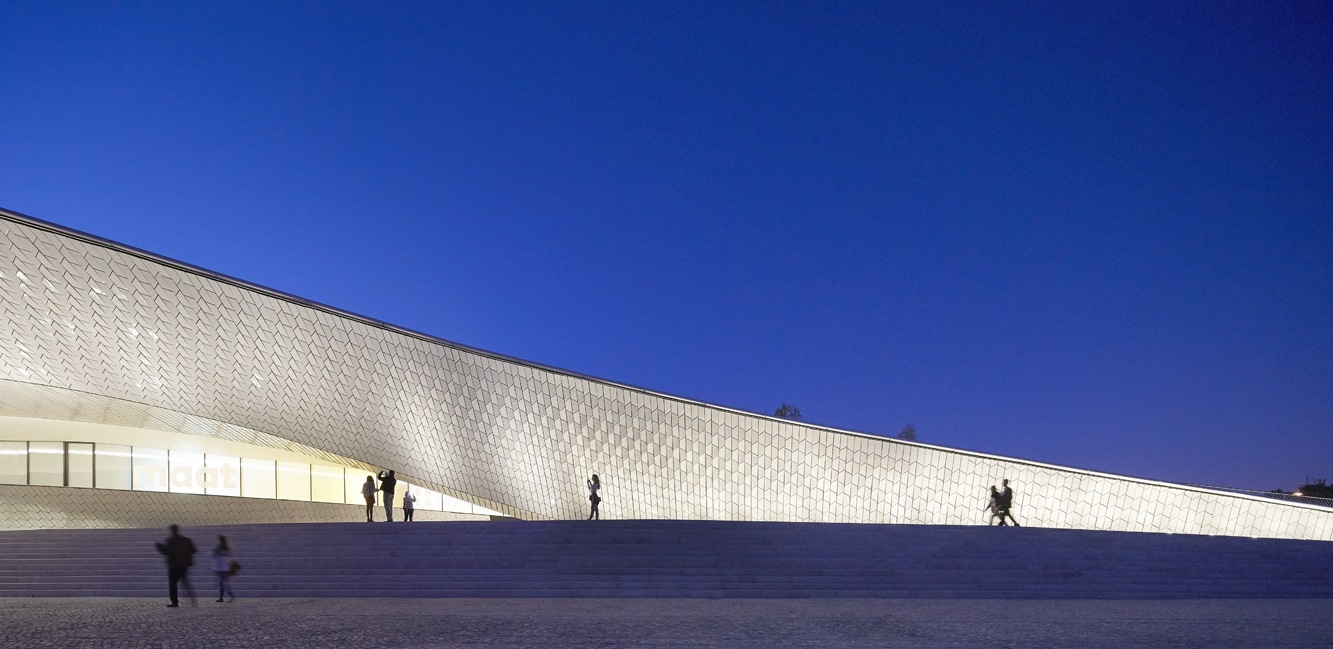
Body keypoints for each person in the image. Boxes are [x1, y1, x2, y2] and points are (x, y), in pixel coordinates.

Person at [154, 524, 197, 607]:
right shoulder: (186, 540)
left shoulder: (171, 540)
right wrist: (185, 554)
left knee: (173, 583)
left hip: (174, 565)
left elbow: (166, 551)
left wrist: (159, 547)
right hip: (184, 565)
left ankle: (174, 602)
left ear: (172, 530)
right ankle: (192, 598)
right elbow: (194, 550)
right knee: (185, 581)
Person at [211, 535, 237, 602]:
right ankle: (222, 597)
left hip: (220, 568)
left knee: (223, 583)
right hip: (226, 567)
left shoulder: (218, 548)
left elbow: (212, 555)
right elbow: (230, 556)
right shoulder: (227, 548)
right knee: (223, 583)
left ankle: (230, 596)